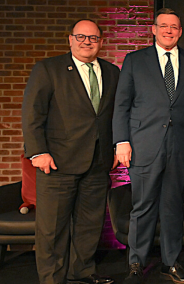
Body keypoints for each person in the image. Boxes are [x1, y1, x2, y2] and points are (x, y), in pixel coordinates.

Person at [22, 19, 119, 284]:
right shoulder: (48, 69)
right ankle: (52, 279)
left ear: (101, 41)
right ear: (70, 39)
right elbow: (32, 114)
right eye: (81, 37)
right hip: (57, 163)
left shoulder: (112, 72)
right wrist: (37, 151)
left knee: (90, 225)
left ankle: (83, 272)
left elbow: (116, 115)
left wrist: (115, 148)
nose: (87, 42)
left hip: (98, 163)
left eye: (93, 38)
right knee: (52, 229)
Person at [112, 8, 184, 284]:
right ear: (153, 29)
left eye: (174, 27)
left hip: (181, 145)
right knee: (142, 206)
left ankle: (171, 262)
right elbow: (122, 104)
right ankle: (135, 263)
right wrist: (121, 141)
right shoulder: (134, 60)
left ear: (180, 31)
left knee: (173, 206)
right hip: (144, 144)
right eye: (163, 26)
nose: (169, 31)